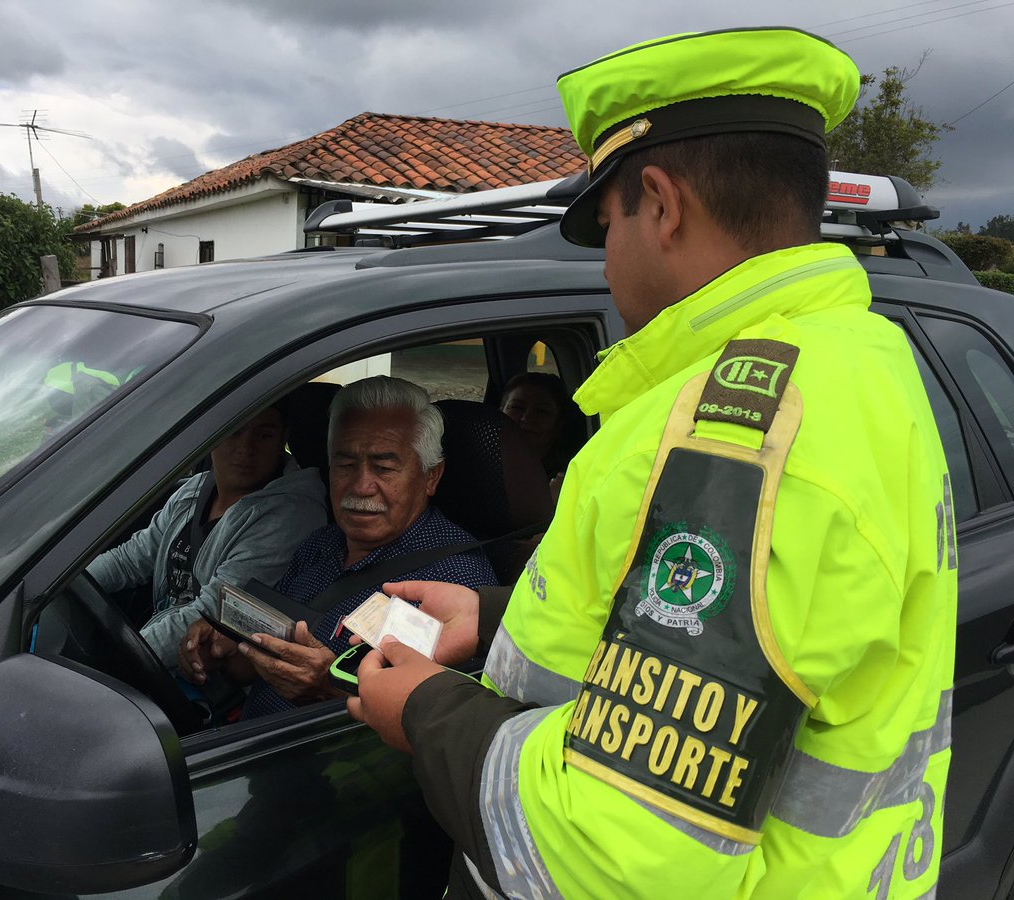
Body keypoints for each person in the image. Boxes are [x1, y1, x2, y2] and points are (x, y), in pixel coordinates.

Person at [348, 27, 957, 899]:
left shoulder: (733, 434)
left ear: (662, 204)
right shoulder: (856, 356)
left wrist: (425, 709)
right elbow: (746, 638)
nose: (606, 260)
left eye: (606, 225)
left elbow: (621, 854)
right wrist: (493, 615)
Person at [178, 375, 498, 719]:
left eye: (384, 467)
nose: (360, 486)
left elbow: (433, 727)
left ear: (430, 476)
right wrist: (222, 650)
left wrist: (327, 692)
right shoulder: (319, 544)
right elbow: (265, 660)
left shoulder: (454, 583)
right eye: (345, 464)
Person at [87, 398, 327, 661]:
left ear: (283, 438)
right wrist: (70, 584)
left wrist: (116, 660)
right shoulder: (195, 489)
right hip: (159, 650)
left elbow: (212, 613)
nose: (245, 449)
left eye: (264, 435)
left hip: (203, 681)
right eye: (234, 430)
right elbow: (131, 559)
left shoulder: (289, 517)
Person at [498, 371, 583, 499]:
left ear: (559, 423)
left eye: (542, 411)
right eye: (517, 407)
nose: (527, 418)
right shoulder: (477, 461)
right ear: (500, 412)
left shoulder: (570, 477)